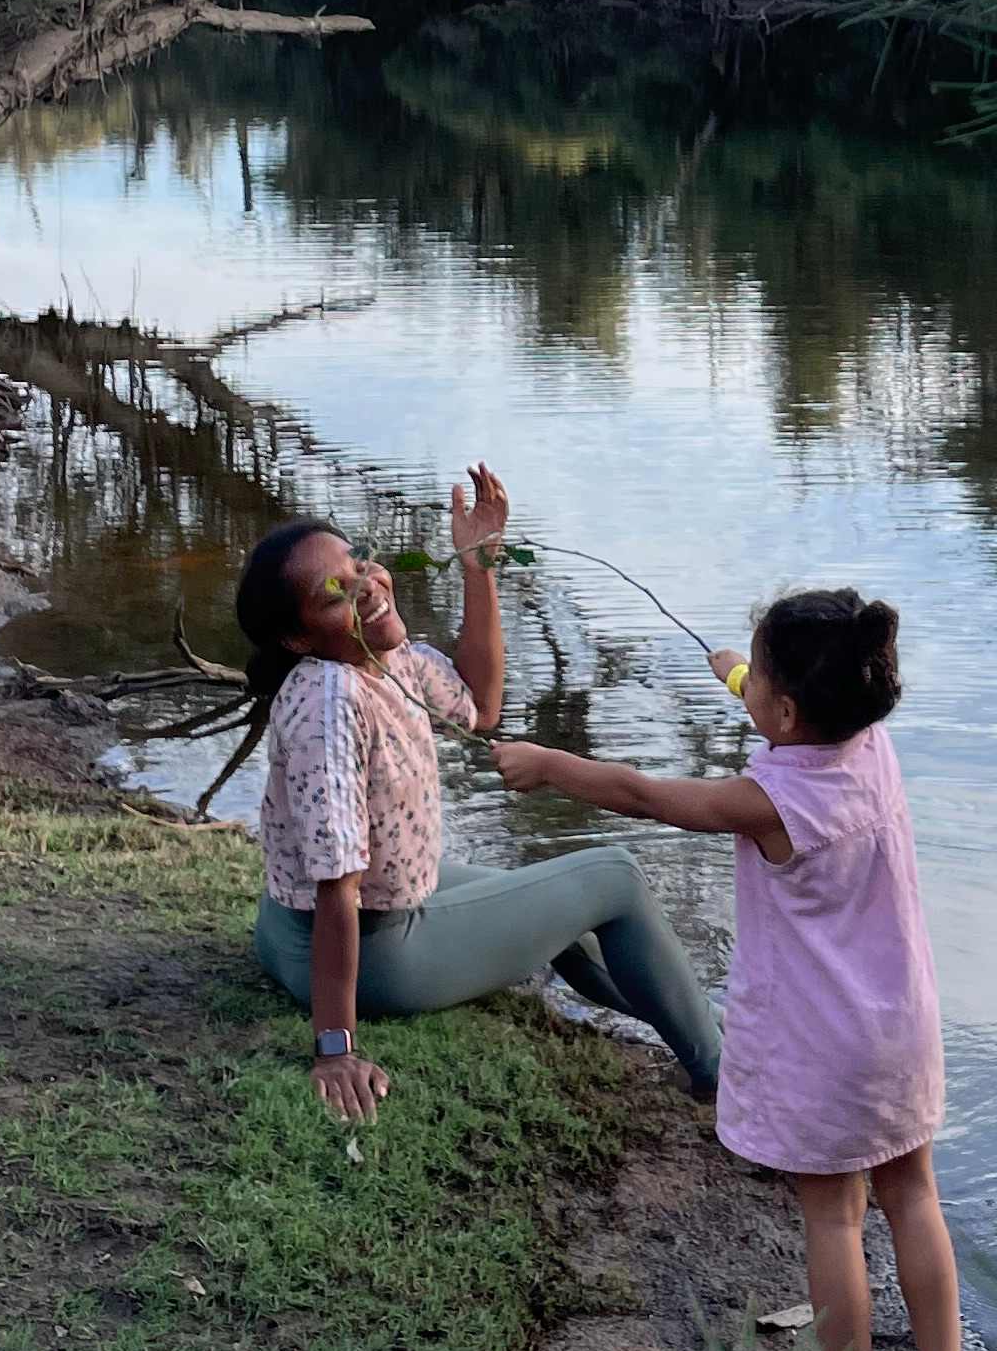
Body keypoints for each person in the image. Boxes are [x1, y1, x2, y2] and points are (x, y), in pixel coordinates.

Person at [490, 588, 966, 1351]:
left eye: (757, 687)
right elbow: (799, 719)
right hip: (902, 1030)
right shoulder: (870, 744)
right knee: (913, 1198)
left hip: (826, 1049)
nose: (745, 693)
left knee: (834, 1218)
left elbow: (645, 796)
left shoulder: (768, 800)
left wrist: (550, 766)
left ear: (784, 711)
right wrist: (741, 676)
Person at [235, 467, 722, 1127]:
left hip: (317, 916)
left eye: (359, 565)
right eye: (336, 595)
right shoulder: (330, 705)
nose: (368, 589)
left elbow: (481, 706)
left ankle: (721, 1027)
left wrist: (477, 567)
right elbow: (337, 888)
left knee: (566, 907)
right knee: (615, 876)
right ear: (298, 635)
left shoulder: (379, 657)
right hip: (373, 954)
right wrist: (334, 1049)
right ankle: (729, 1080)